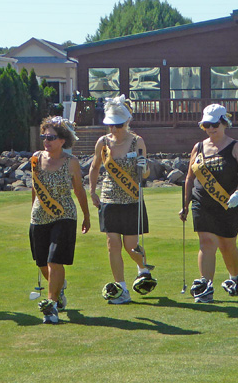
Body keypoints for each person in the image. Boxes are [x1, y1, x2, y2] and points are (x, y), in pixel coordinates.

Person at [89, 95, 156, 305]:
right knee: (112, 244)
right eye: (110, 125)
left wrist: (144, 167)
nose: (114, 130)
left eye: (118, 125)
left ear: (127, 123)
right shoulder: (103, 142)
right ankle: (122, 288)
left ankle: (143, 269)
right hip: (109, 198)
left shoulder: (137, 141)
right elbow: (94, 167)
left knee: (131, 246)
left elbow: (144, 175)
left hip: (131, 199)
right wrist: (92, 191)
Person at [179, 104, 238, 303]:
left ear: (224, 123)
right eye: (207, 125)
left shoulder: (235, 146)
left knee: (228, 246)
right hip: (202, 203)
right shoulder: (198, 147)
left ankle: (235, 279)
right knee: (207, 243)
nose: (211, 128)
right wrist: (186, 204)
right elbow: (190, 178)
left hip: (229, 204)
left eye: (215, 124)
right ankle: (205, 287)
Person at [29, 116, 90, 324]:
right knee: (42, 263)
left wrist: (86, 216)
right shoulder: (36, 158)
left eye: (51, 137)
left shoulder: (71, 162)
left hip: (64, 215)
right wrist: (32, 210)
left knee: (54, 260)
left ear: (63, 140)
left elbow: (80, 191)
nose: (46, 141)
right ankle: (59, 287)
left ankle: (51, 304)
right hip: (39, 216)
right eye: (44, 136)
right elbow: (34, 188)